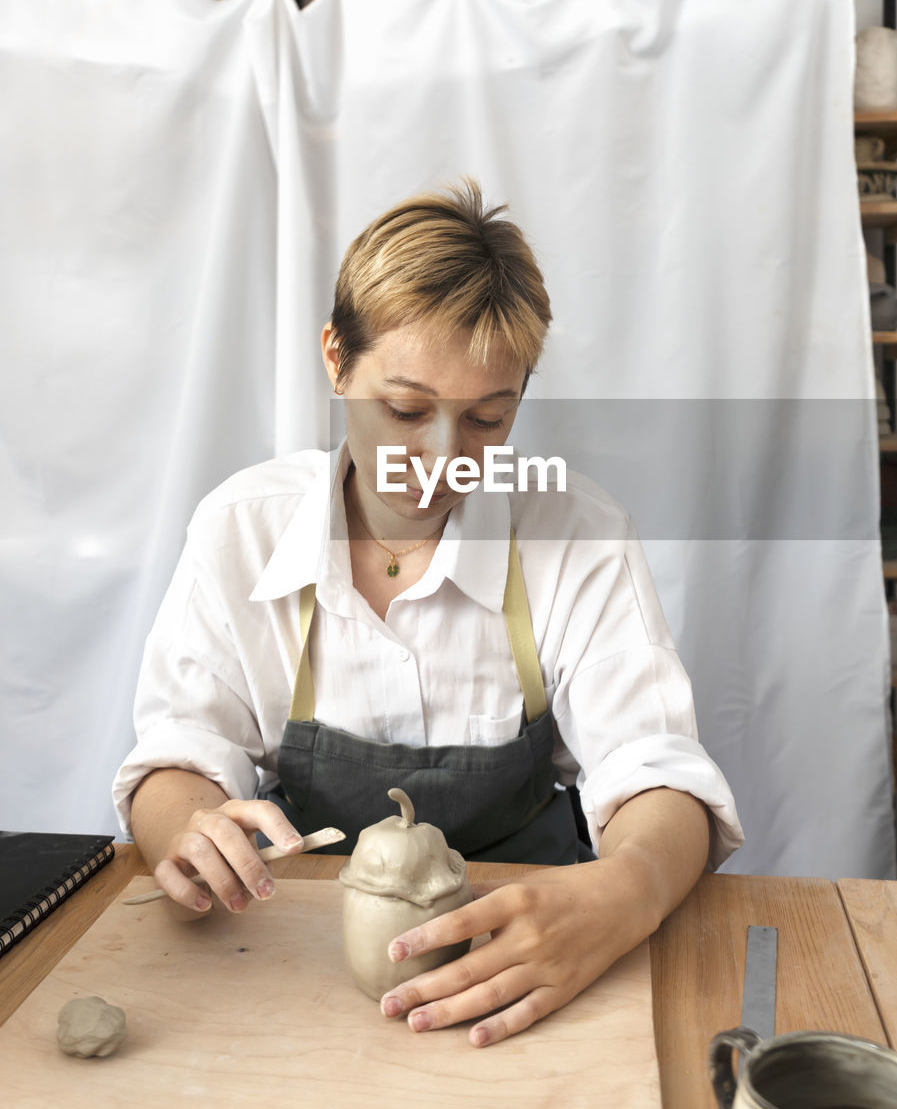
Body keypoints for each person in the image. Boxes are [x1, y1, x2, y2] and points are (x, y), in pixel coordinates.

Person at [114, 180, 743, 1047]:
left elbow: (656, 771)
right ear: (335, 359)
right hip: (295, 954)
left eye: (488, 419)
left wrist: (627, 891)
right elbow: (178, 754)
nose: (443, 460)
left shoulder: (576, 532)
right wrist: (184, 827)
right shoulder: (243, 528)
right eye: (406, 410)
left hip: (526, 955)